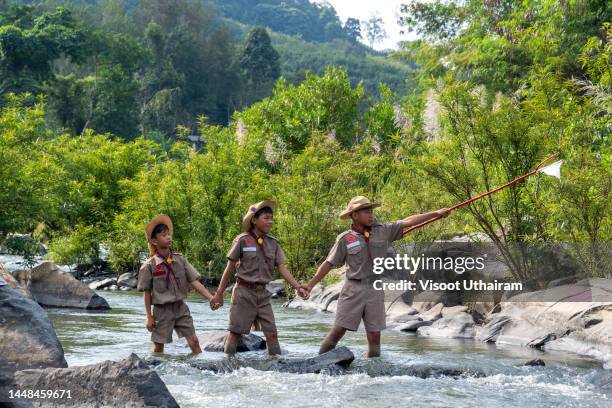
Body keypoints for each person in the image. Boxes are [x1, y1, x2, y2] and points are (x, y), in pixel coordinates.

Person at [304, 196, 450, 357]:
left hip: (375, 288)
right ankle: (317, 363)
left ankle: (373, 372)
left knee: (374, 335)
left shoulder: (382, 230)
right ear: (354, 215)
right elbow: (328, 263)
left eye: (371, 211)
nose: (371, 215)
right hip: (353, 289)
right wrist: (310, 285)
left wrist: (436, 213)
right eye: (366, 212)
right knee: (338, 331)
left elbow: (408, 221)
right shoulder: (345, 238)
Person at [210, 200, 309, 355]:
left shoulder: (273, 243)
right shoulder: (243, 240)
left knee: (272, 334)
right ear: (254, 221)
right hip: (243, 293)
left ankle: (277, 366)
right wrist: (219, 294)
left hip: (263, 294)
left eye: (271, 218)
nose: (270, 221)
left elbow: (282, 268)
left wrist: (298, 287)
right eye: (266, 218)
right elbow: (229, 268)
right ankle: (227, 365)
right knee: (235, 333)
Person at [137, 214, 215, 354]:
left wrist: (210, 298)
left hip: (180, 308)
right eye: (164, 235)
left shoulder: (180, 260)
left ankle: (199, 371)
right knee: (158, 347)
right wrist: (149, 317)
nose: (168, 237)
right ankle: (157, 371)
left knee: (194, 342)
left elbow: (194, 281)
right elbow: (147, 293)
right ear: (154, 241)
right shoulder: (149, 266)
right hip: (161, 311)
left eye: (169, 234)